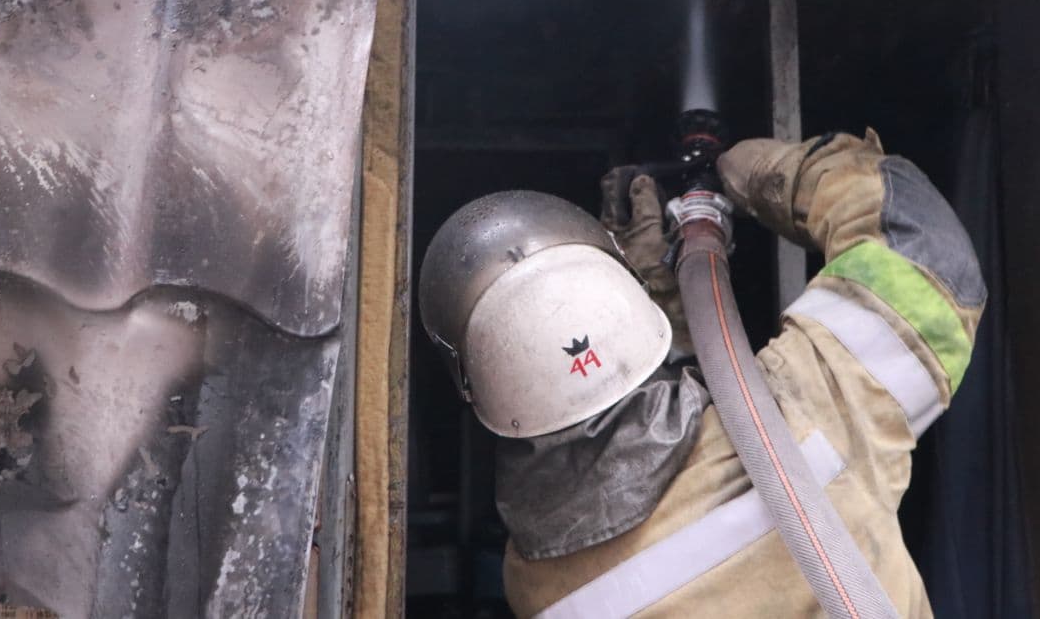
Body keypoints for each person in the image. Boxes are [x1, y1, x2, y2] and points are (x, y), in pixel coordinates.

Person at [419, 131, 984, 617]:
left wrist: (668, 312)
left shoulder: (534, 586)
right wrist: (778, 175)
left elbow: (647, 484)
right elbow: (927, 256)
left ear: (473, 382)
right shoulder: (808, 416)